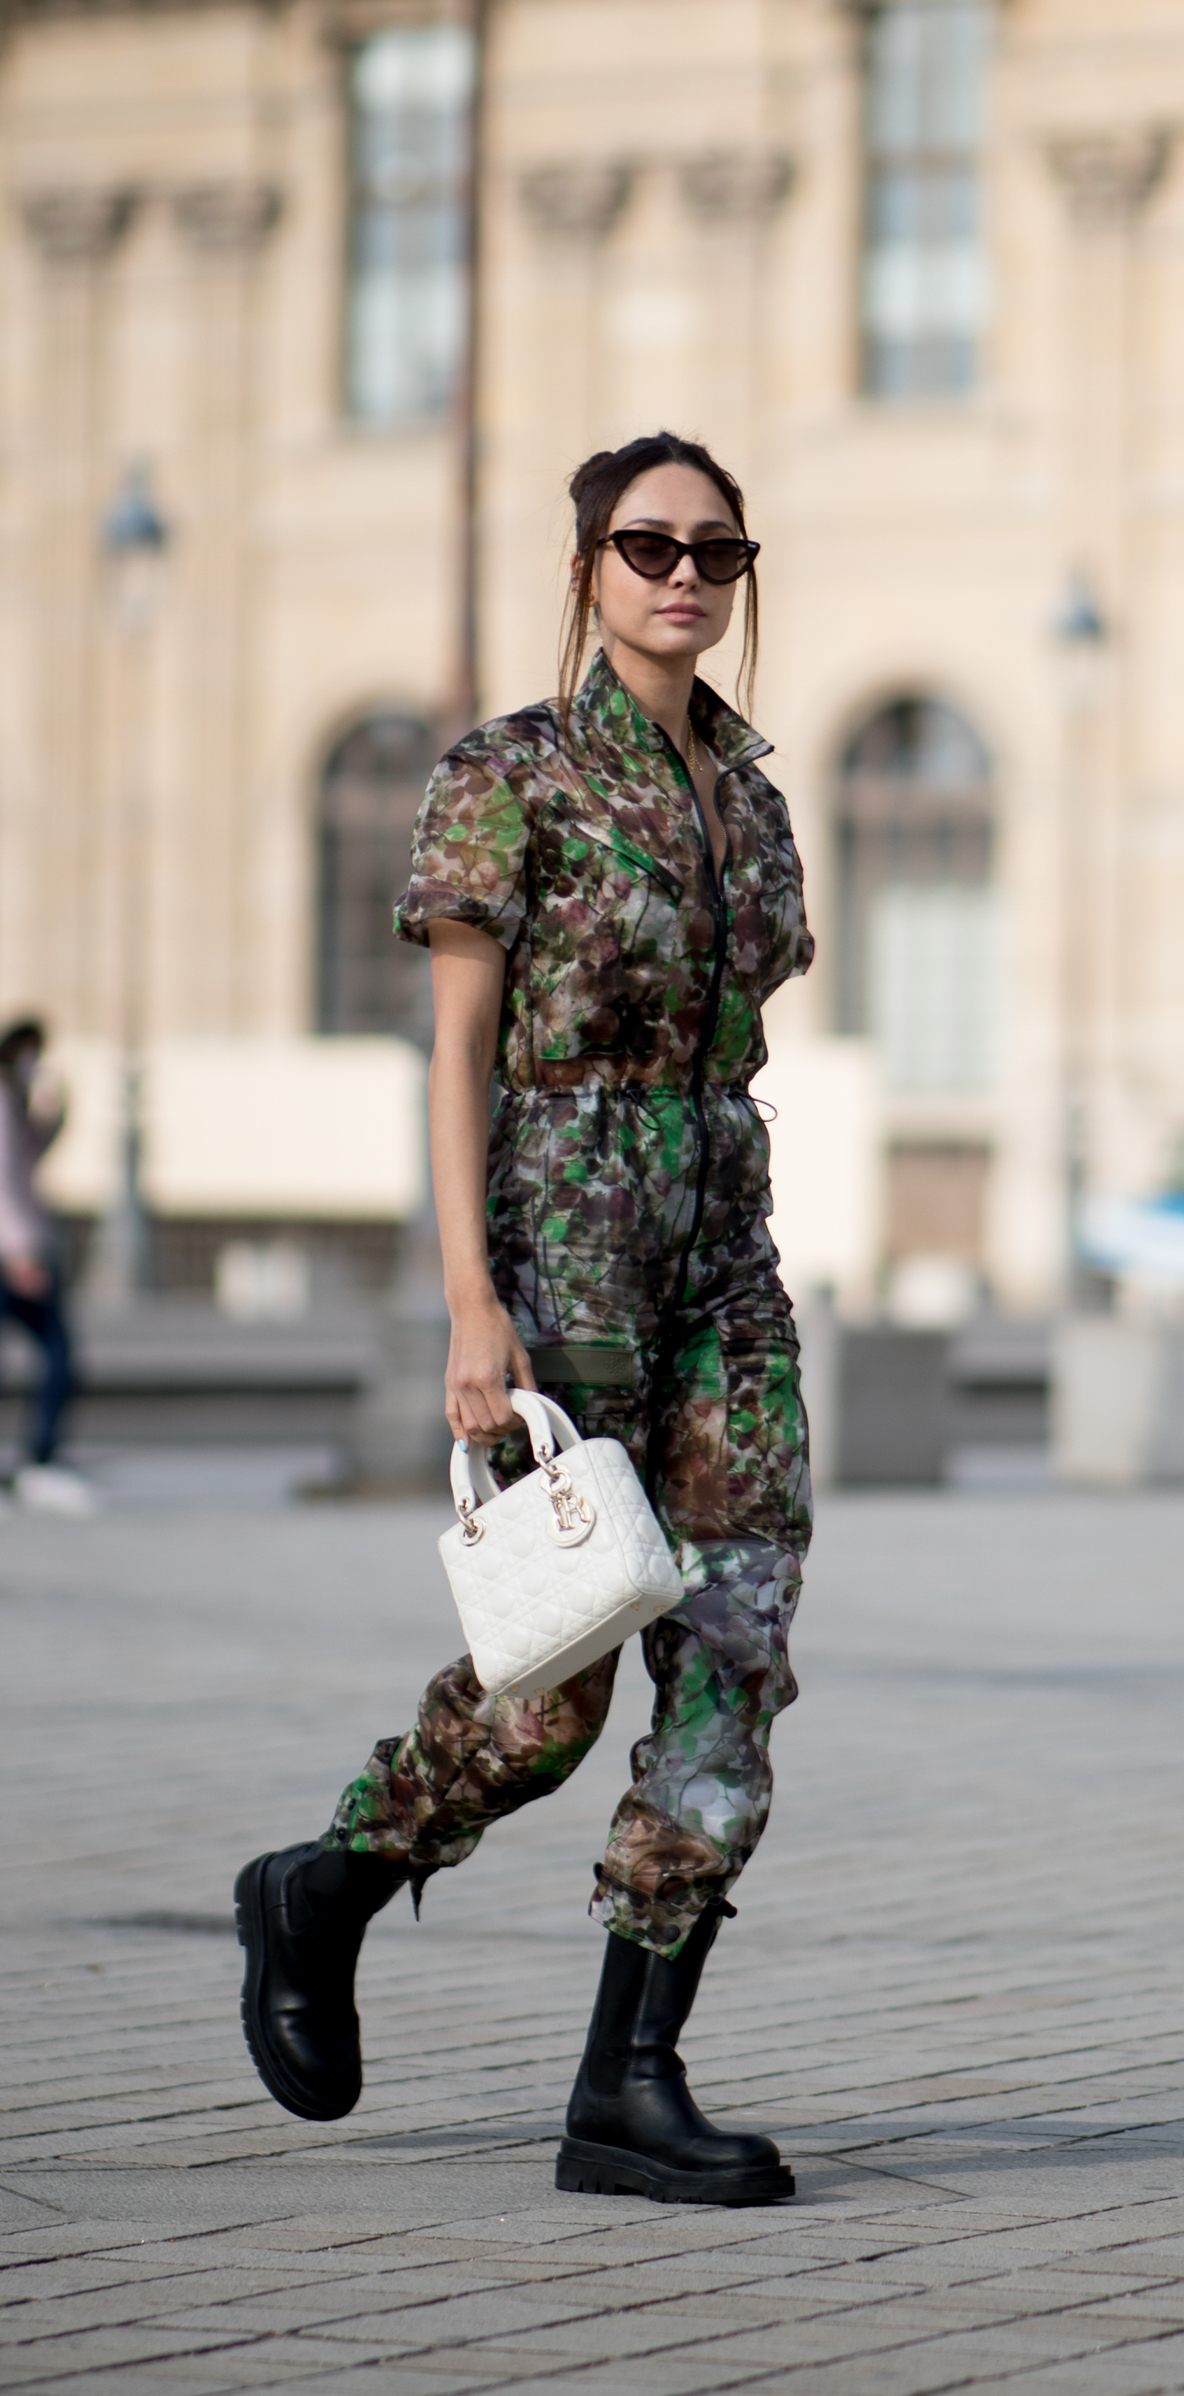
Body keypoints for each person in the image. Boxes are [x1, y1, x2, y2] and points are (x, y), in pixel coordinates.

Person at [236, 434, 814, 2207]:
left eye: (717, 548)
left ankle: (629, 2083)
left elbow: (734, 1038)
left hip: (724, 1254)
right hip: (560, 1252)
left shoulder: (756, 794)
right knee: (551, 1689)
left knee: (734, 1655)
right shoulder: (513, 774)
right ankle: (325, 1884)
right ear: (588, 566)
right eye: (650, 544)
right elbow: (461, 1050)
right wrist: (470, 1301)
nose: (685, 576)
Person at [0, 1018, 90, 1517]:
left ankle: (41, 1455)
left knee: (59, 1354)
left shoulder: (14, 1098)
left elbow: (29, 1158)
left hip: (21, 1248)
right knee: (58, 1352)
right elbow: (3, 1186)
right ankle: (39, 1456)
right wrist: (19, 1253)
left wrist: (55, 1112)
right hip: (16, 1253)